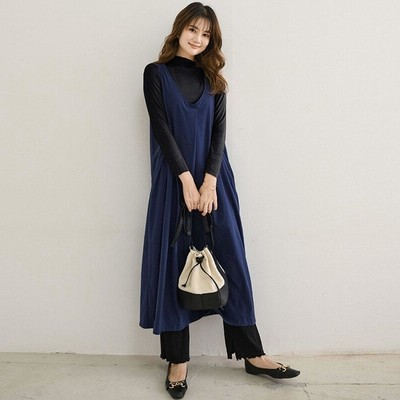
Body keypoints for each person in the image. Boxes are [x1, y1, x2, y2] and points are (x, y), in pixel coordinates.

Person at [140, 2, 300, 398]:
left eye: (206, 34)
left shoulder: (215, 80)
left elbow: (219, 134)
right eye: (193, 29)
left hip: (216, 182)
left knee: (232, 259)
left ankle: (253, 354)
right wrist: (186, 181)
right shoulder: (155, 74)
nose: (198, 38)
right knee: (173, 263)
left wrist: (209, 182)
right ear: (179, 29)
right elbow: (161, 128)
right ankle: (178, 360)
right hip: (173, 183)